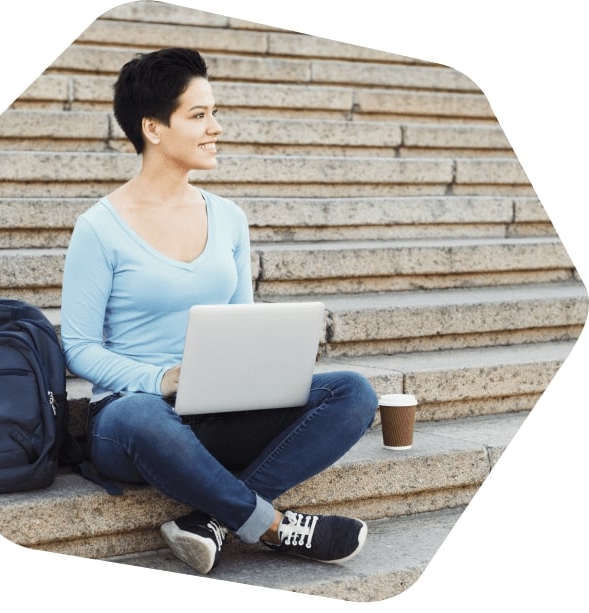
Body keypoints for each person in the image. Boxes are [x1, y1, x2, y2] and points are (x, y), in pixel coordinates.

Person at [60, 47, 378, 575]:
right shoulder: (99, 228)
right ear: (154, 128)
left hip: (214, 410)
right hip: (131, 418)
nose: (217, 127)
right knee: (143, 415)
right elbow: (78, 346)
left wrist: (264, 370)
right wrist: (162, 379)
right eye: (199, 115)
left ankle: (209, 520)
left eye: (215, 112)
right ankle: (275, 526)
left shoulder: (229, 218)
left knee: (352, 392)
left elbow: (241, 328)